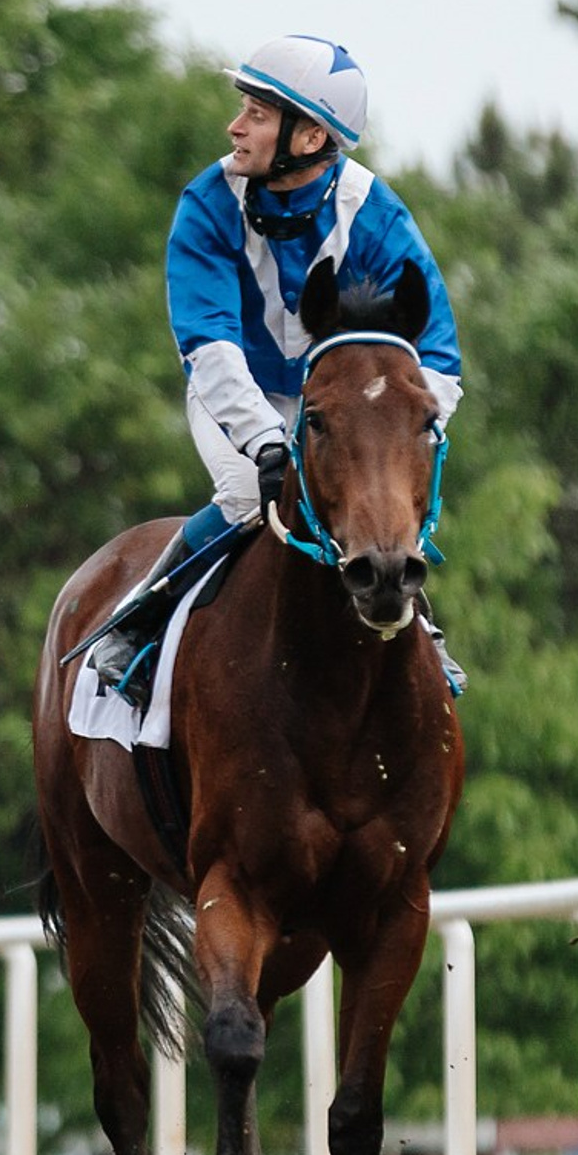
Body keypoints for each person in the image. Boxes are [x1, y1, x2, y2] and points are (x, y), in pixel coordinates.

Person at [83, 36, 464, 698]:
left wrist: (408, 426)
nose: (235, 126)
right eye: (245, 110)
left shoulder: (376, 214)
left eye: (257, 114)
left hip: (350, 408)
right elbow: (210, 345)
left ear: (311, 135)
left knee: (382, 508)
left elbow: (437, 357)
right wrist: (265, 439)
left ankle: (422, 629)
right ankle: (135, 622)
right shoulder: (206, 204)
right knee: (244, 499)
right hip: (236, 393)